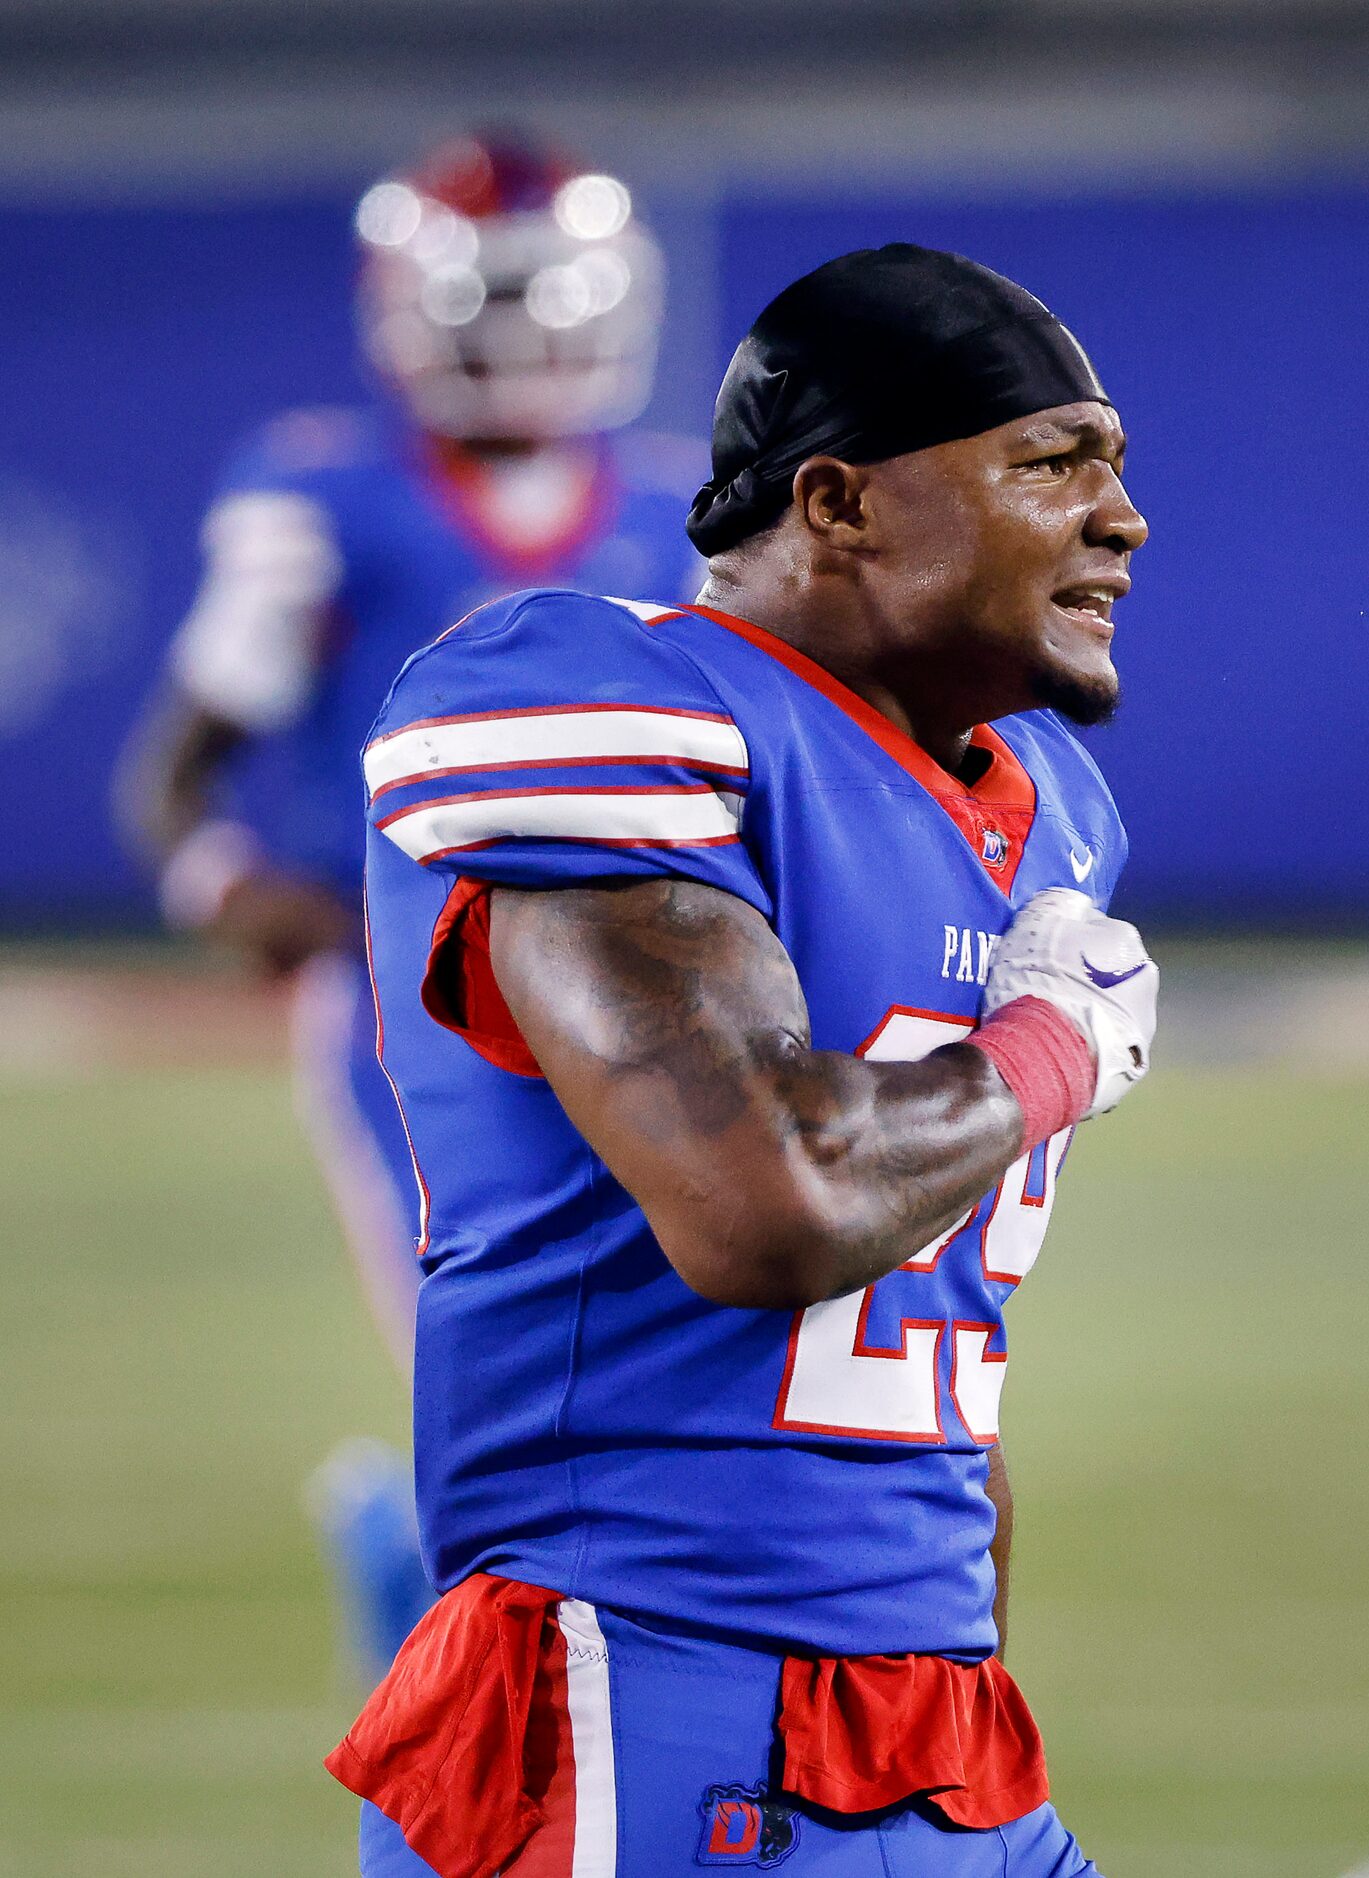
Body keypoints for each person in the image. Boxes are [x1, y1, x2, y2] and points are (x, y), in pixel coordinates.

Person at [330, 243, 1156, 1878]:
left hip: (935, 1719)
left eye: (1115, 470)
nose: (1120, 519)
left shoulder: (1048, 807)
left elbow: (937, 1354)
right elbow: (767, 1203)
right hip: (648, 1694)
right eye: (1051, 464)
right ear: (838, 502)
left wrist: (958, 1645)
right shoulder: (606, 698)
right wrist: (1051, 1051)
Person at [112, 130, 702, 1680]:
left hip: (643, 997)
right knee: (503, 1375)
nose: (520, 336)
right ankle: (448, 1637)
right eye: (492, 301)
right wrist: (239, 884)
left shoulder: (677, 508)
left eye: (546, 297)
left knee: (662, 1369)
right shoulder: (330, 490)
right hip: (410, 1009)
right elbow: (178, 770)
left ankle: (477, 1608)